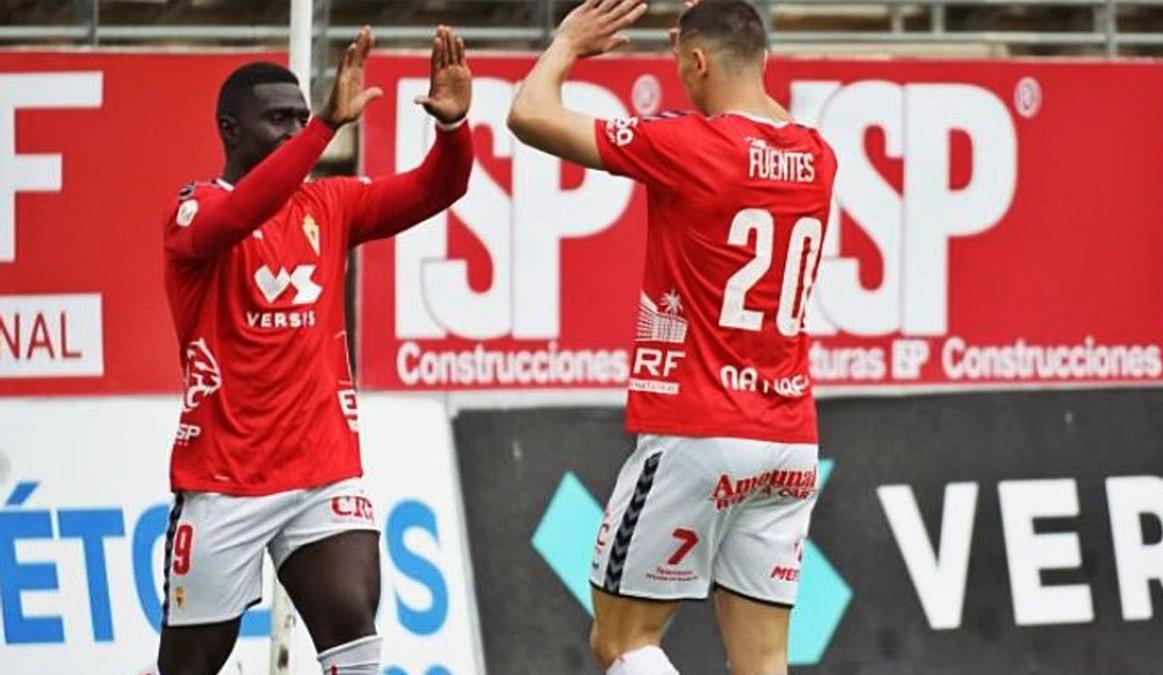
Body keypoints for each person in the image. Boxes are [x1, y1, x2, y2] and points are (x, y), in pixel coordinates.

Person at [508, 1, 838, 673]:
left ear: (696, 61)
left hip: (700, 433)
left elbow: (529, 115)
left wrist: (568, 42)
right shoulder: (818, 156)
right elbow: (748, 101)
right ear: (764, 58)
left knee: (622, 640)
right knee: (765, 659)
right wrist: (714, 30)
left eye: (681, 65)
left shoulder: (690, 144)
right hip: (788, 440)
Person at [153, 25, 473, 675]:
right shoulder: (195, 210)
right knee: (188, 665)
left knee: (353, 628)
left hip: (322, 470)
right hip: (225, 480)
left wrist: (454, 127)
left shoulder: (330, 203)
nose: (296, 129)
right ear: (230, 130)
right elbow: (238, 216)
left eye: (301, 116)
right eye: (279, 119)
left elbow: (437, 189)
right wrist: (326, 127)